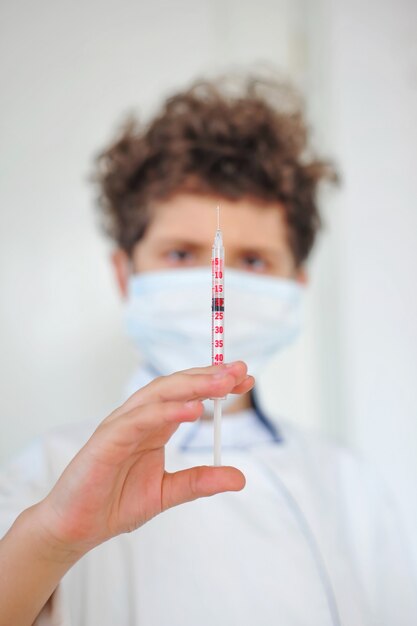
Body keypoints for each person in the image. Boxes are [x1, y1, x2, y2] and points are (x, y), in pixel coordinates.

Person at [0, 75, 416, 626]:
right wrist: (51, 539)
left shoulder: (348, 483)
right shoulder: (50, 474)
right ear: (125, 274)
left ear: (298, 286)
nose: (215, 284)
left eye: (254, 261)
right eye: (178, 254)